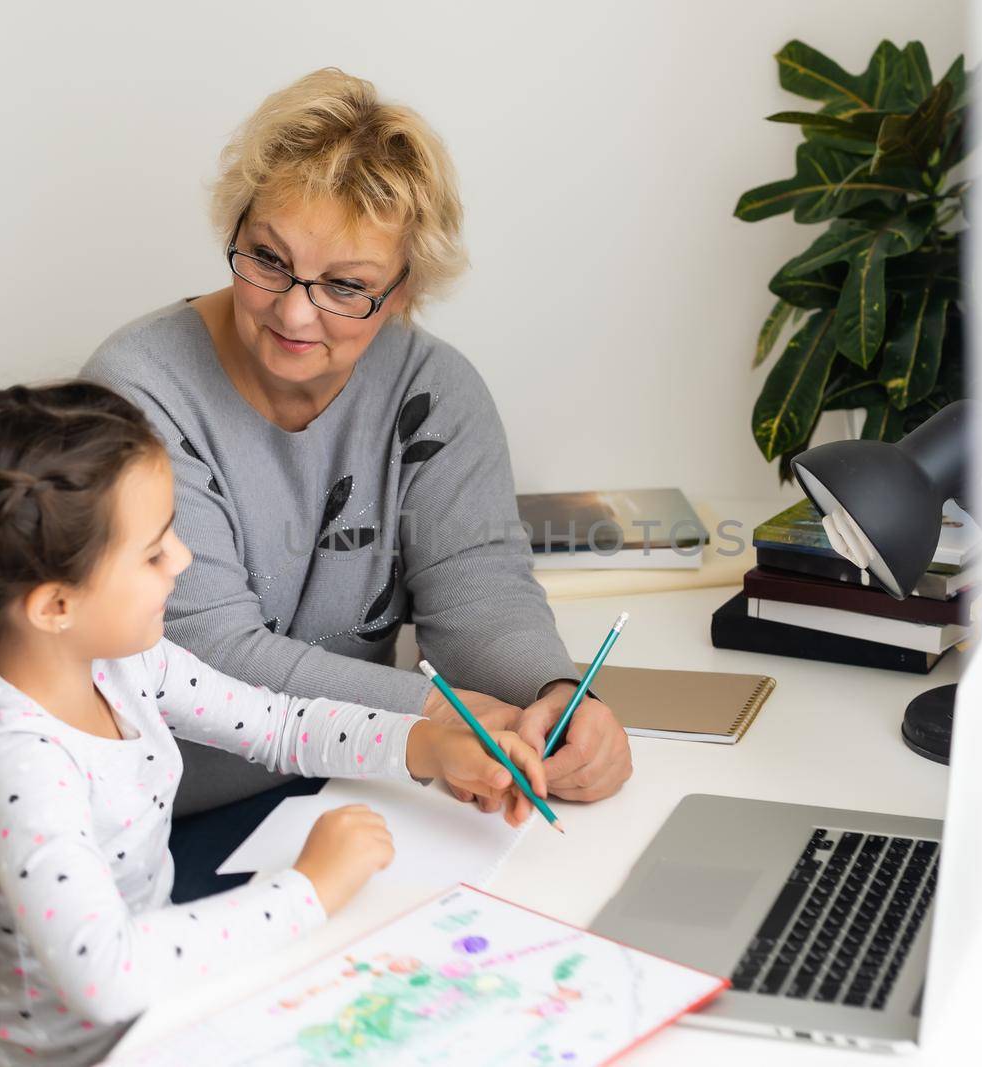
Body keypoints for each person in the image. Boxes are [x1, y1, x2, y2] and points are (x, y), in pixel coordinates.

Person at [83, 70, 631, 890]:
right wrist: (443, 723)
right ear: (234, 227)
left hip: (358, 788)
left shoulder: (437, 391)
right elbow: (213, 654)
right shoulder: (138, 391)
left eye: (346, 285)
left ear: (405, 291)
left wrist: (555, 701)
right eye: (268, 259)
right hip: (168, 825)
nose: (294, 313)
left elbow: (478, 589)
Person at [0, 382, 548, 1065]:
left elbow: (277, 722)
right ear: (56, 604)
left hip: (167, 1014)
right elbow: (108, 975)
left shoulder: (119, 662)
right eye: (152, 553)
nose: (182, 558)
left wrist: (426, 745)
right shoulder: (18, 763)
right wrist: (310, 887)